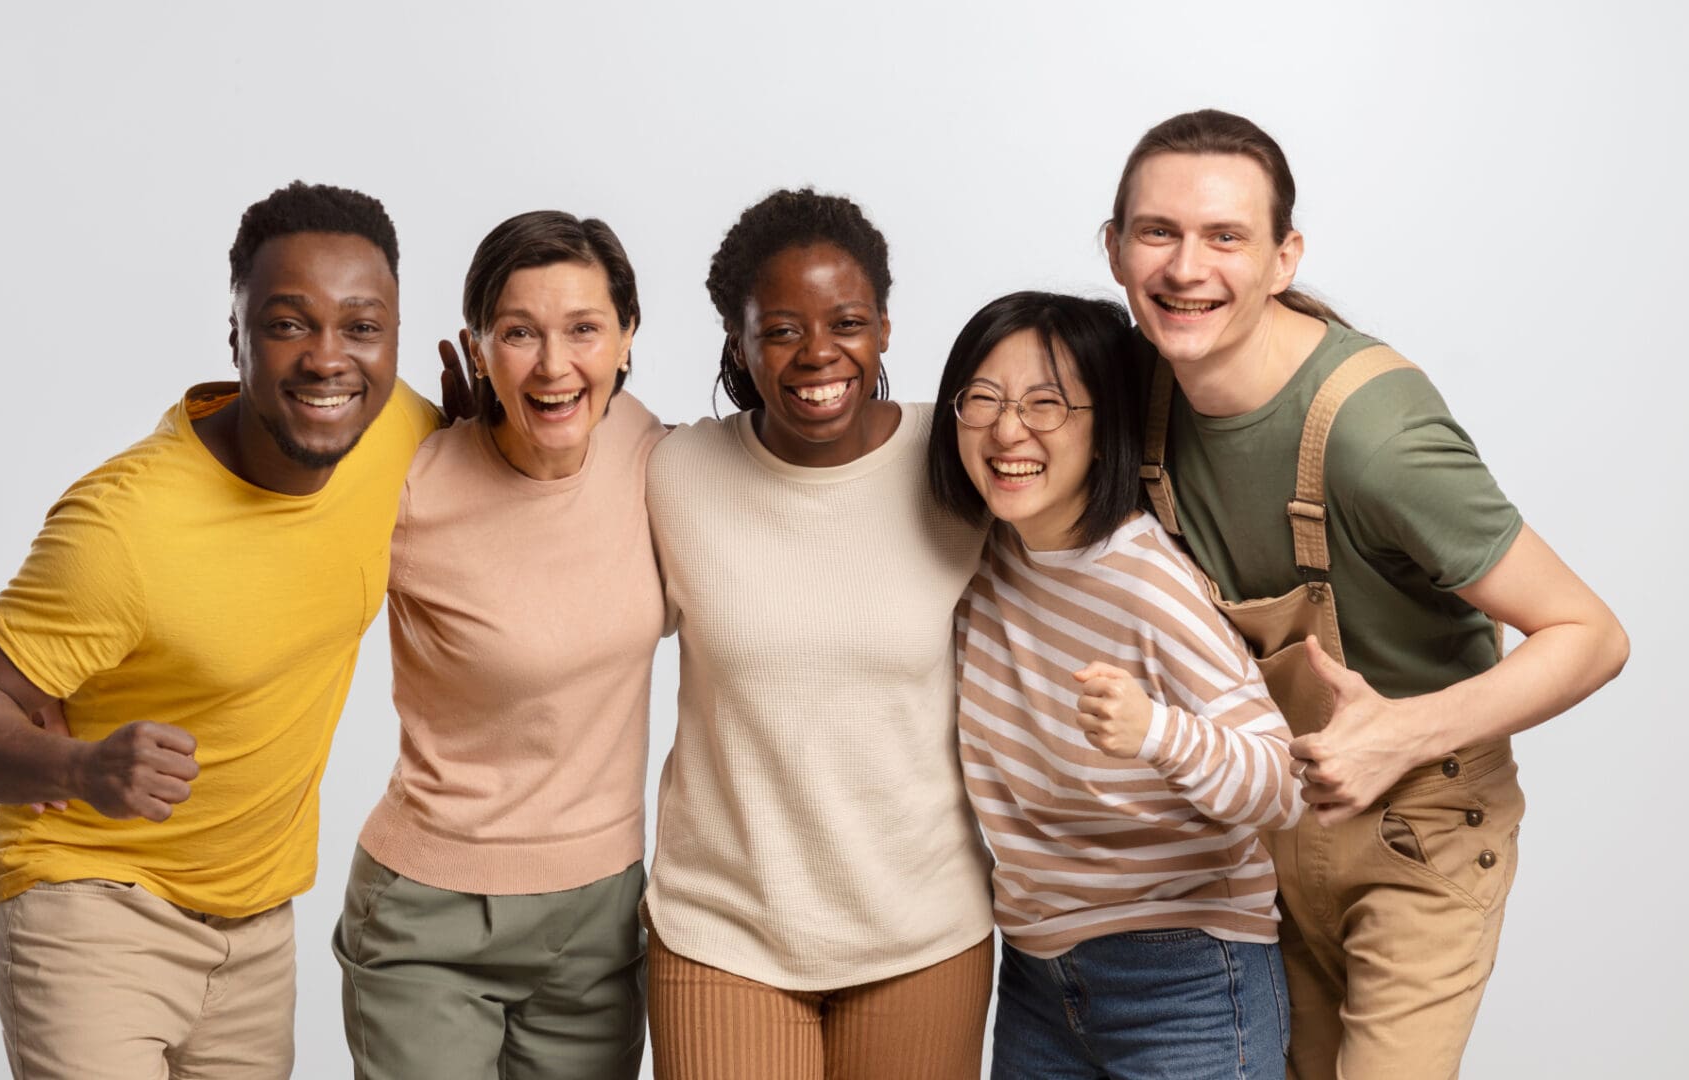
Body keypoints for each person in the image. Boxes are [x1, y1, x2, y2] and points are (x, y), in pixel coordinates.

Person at [1103, 109, 1629, 1079]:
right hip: (1262, 825)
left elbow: (1589, 633)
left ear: (1281, 257)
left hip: (1416, 830)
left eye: (1224, 235)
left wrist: (1402, 732)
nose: (1185, 268)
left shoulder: (1369, 435)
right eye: (1156, 232)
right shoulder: (1137, 388)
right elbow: (997, 428)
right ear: (1112, 248)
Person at [0, 180, 441, 1080]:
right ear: (234, 334)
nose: (329, 359)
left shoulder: (397, 429)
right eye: (287, 324)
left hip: (256, 925)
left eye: (361, 327)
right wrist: (81, 768)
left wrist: (503, 419)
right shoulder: (126, 527)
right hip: (92, 904)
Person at [642, 188, 996, 1080]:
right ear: (738, 342)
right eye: (780, 330)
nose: (818, 355)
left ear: (882, 325)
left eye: (846, 321)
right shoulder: (674, 471)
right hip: (723, 932)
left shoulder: (958, 460)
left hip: (923, 930)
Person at [926, 290, 1301, 1079]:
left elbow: (1282, 785)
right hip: (1035, 975)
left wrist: (1156, 733)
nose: (1007, 430)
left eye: (1047, 405)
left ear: (1105, 431)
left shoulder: (1145, 581)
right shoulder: (981, 557)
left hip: (1189, 973)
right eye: (983, 399)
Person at [332, 210, 664, 1080]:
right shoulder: (411, 486)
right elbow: (280, 599)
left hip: (600, 919)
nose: (555, 367)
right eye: (519, 333)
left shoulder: (654, 455)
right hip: (429, 917)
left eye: (584, 329)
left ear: (627, 338)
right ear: (477, 348)